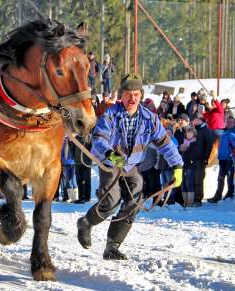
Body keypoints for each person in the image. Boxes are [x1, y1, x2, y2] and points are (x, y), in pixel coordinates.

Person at [77, 73, 183, 260]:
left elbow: (165, 143)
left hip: (132, 166)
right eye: (127, 94)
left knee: (135, 202)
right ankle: (86, 222)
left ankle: (112, 247)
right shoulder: (110, 114)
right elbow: (99, 139)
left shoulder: (150, 118)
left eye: (135, 94)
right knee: (111, 202)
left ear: (140, 96)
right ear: (121, 96)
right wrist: (111, 155)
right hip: (111, 164)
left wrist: (177, 165)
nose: (131, 98)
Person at [208, 117, 235, 203]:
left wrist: (231, 155)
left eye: (231, 122)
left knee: (230, 178)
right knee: (220, 178)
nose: (229, 123)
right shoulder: (222, 132)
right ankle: (217, 195)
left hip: (230, 159)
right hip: (222, 159)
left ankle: (230, 194)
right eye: (228, 121)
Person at [191, 113, 214, 207]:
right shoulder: (194, 130)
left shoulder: (206, 130)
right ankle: (190, 199)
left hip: (200, 159)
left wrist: (205, 158)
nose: (193, 121)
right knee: (191, 179)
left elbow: (209, 145)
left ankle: (198, 199)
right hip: (191, 159)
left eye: (195, 119)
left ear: (200, 120)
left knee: (198, 179)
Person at [179, 127, 199, 207]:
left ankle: (190, 202)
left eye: (190, 133)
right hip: (183, 165)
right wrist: (181, 149)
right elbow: (180, 153)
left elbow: (193, 154)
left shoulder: (195, 142)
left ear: (193, 134)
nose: (189, 134)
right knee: (183, 183)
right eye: (187, 133)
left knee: (189, 183)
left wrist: (185, 149)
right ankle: (185, 201)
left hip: (190, 165)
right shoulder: (183, 142)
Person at [73, 135, 92, 204]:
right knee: (79, 181)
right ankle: (80, 197)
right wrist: (74, 158)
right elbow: (72, 149)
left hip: (86, 163)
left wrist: (89, 159)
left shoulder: (90, 137)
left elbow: (92, 150)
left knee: (87, 180)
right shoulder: (76, 138)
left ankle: (87, 197)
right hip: (77, 162)